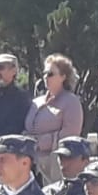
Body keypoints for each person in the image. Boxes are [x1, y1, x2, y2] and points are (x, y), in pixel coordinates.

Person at [25, 54, 84, 184]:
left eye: (50, 74)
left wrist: (43, 142)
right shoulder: (36, 102)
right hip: (31, 165)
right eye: (44, 73)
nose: (46, 77)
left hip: (55, 167)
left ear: (63, 76)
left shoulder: (71, 102)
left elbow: (70, 135)